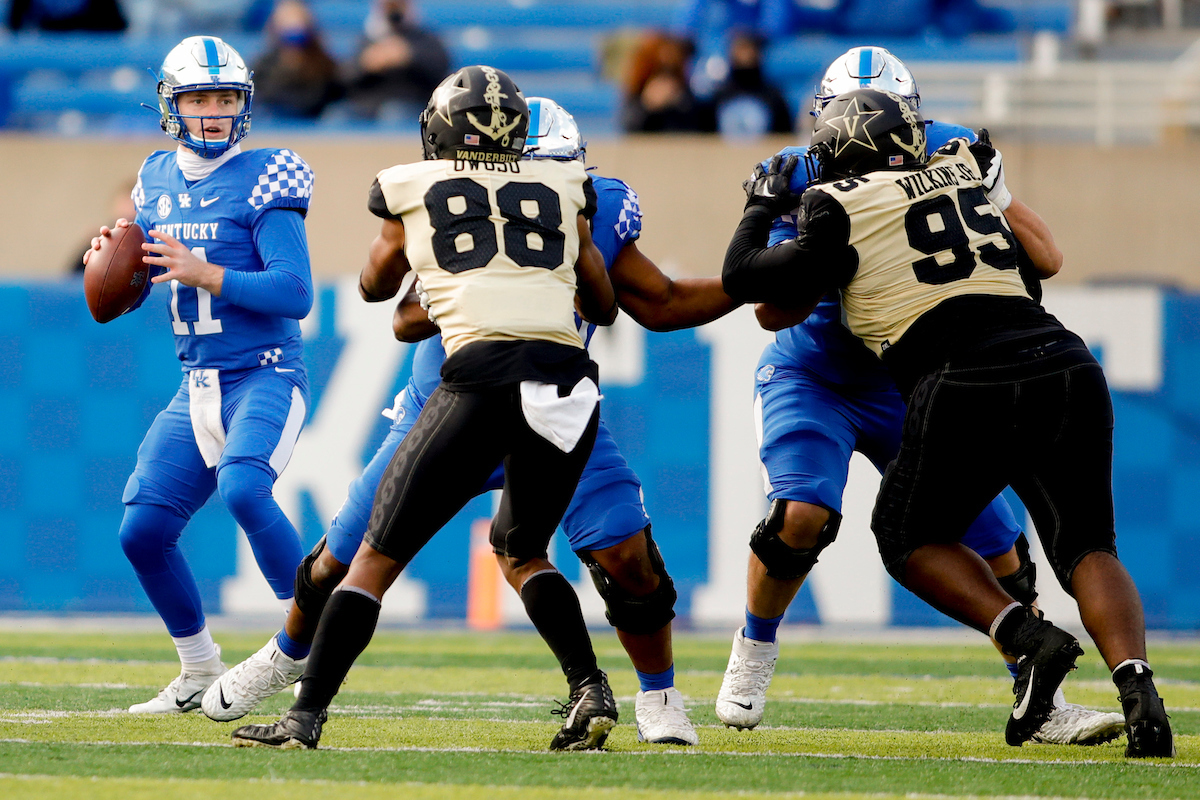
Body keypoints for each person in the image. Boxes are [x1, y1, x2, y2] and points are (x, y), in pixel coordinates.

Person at [205, 97, 740, 746]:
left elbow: (655, 299)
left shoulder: (586, 204)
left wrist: (752, 282)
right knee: (339, 561)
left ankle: (658, 697)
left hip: (544, 396)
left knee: (628, 558)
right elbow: (402, 316)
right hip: (452, 397)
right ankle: (287, 654)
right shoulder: (459, 200)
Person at [722, 87, 1174, 758]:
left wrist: (762, 207)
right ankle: (1141, 694)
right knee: (1087, 547)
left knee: (906, 538)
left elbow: (746, 280)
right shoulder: (964, 167)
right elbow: (1038, 268)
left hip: (959, 380)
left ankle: (1025, 638)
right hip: (1064, 362)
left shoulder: (832, 200)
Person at [82, 36, 315, 714]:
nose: (212, 112)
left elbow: (295, 291)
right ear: (170, 105)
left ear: (244, 105)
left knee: (246, 487)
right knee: (142, 531)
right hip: (199, 384)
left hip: (266, 373)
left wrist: (207, 270)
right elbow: (143, 278)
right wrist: (114, 268)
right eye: (197, 98)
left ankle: (310, 644)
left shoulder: (271, 174)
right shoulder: (153, 177)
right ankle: (195, 669)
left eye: (225, 98)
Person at [345, 0, 450, 122]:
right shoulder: (366, 40)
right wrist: (366, 63)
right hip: (367, 104)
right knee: (338, 116)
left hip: (409, 102)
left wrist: (409, 56)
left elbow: (439, 69)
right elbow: (345, 77)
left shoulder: (425, 38)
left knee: (393, 113)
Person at [251, 0, 344, 120]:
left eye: (298, 19)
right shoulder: (264, 64)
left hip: (314, 121)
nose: (293, 26)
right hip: (275, 122)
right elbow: (264, 95)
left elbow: (328, 94)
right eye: (288, 19)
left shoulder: (324, 63)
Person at [710, 29, 793, 137]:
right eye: (741, 48)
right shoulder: (719, 96)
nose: (746, 55)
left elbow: (784, 136)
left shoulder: (773, 97)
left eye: (749, 48)